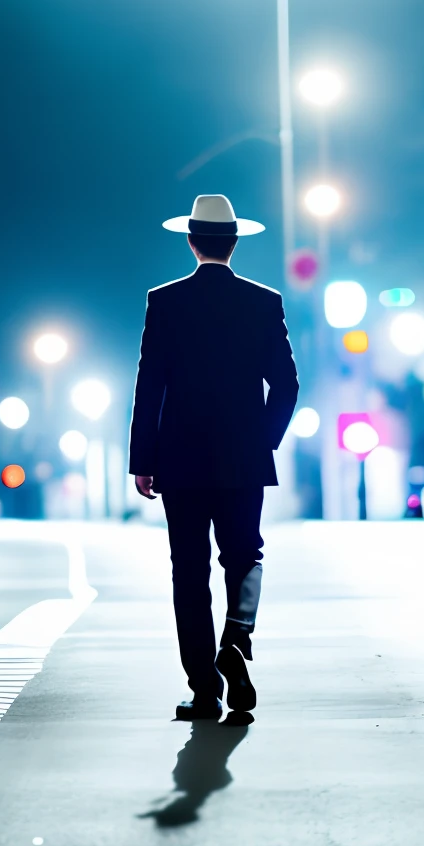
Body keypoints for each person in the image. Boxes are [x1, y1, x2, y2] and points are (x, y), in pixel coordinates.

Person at [129, 195, 299, 725]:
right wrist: (262, 440)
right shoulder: (264, 302)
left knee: (189, 571)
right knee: (245, 555)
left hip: (179, 461)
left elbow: (149, 387)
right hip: (243, 460)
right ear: (234, 242)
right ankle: (237, 641)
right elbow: (287, 385)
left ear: (191, 241)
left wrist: (143, 458)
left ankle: (204, 691)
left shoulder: (165, 301)